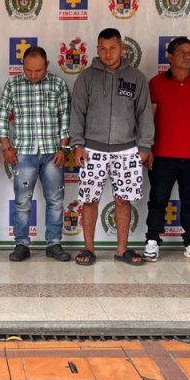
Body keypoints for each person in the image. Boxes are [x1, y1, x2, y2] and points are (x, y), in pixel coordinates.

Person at [69, 27, 153, 266]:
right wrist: (78, 143)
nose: (108, 53)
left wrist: (144, 147)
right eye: (103, 49)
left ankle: (122, 249)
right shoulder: (87, 77)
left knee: (123, 200)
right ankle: (88, 249)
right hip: (92, 150)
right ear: (97, 49)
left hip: (127, 150)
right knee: (89, 200)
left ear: (122, 48)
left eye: (113, 48)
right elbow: (77, 112)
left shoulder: (136, 77)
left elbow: (144, 113)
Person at [143, 37, 190, 263]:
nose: (187, 56)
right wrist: (148, 147)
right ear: (169, 56)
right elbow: (149, 118)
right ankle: (152, 240)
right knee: (158, 199)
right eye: (182, 52)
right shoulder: (156, 83)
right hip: (163, 154)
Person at [0, 45, 72, 262]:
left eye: (38, 71)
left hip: (52, 153)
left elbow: (65, 118)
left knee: (55, 201)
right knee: (22, 202)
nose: (32, 75)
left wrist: (64, 148)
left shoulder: (58, 84)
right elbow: (2, 117)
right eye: (28, 70)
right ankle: (21, 244)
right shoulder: (13, 84)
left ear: (47, 65)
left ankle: (54, 244)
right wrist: (6, 146)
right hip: (24, 153)